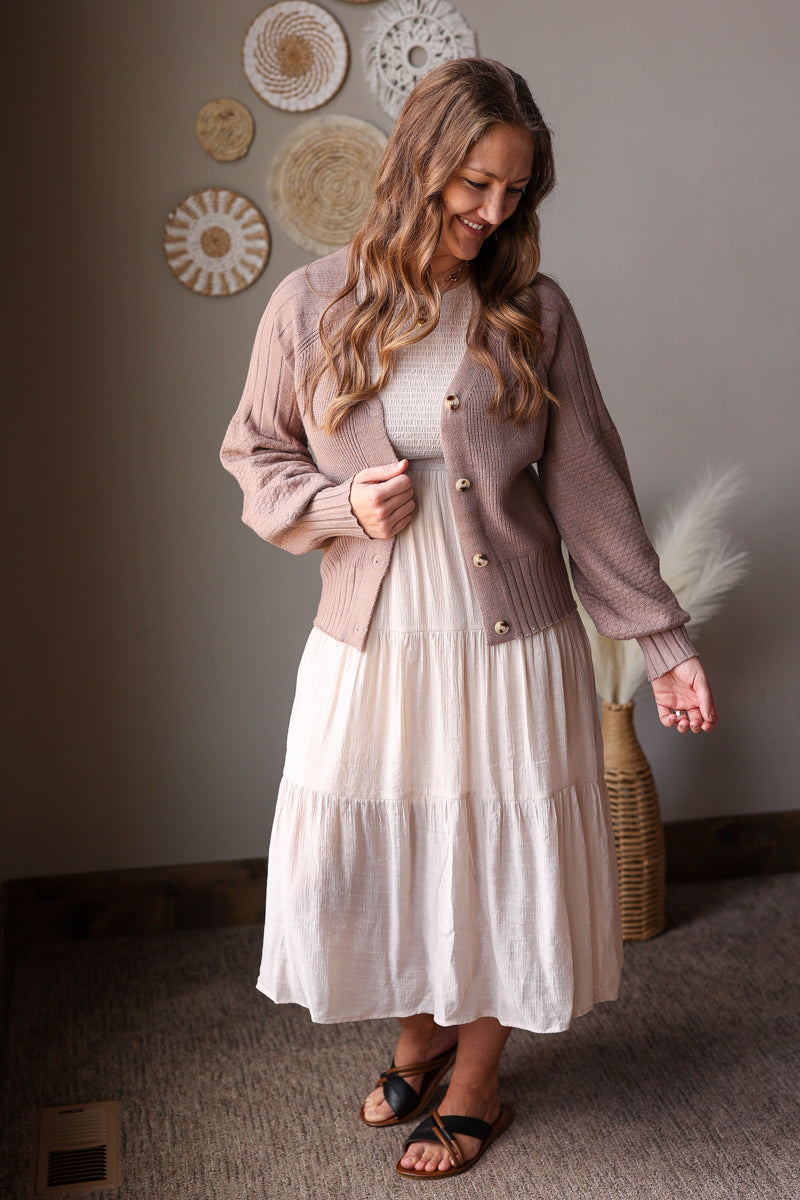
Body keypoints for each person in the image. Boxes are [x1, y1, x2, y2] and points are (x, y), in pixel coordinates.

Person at [220, 57, 717, 1180]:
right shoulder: (308, 304)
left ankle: (478, 1080)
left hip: (512, 636)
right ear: (419, 164)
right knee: (388, 841)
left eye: (514, 192)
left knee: (499, 841)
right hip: (375, 631)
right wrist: (337, 503)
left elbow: (588, 486)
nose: (491, 212)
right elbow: (253, 455)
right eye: (474, 184)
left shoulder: (532, 312)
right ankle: (418, 1028)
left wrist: (661, 642)